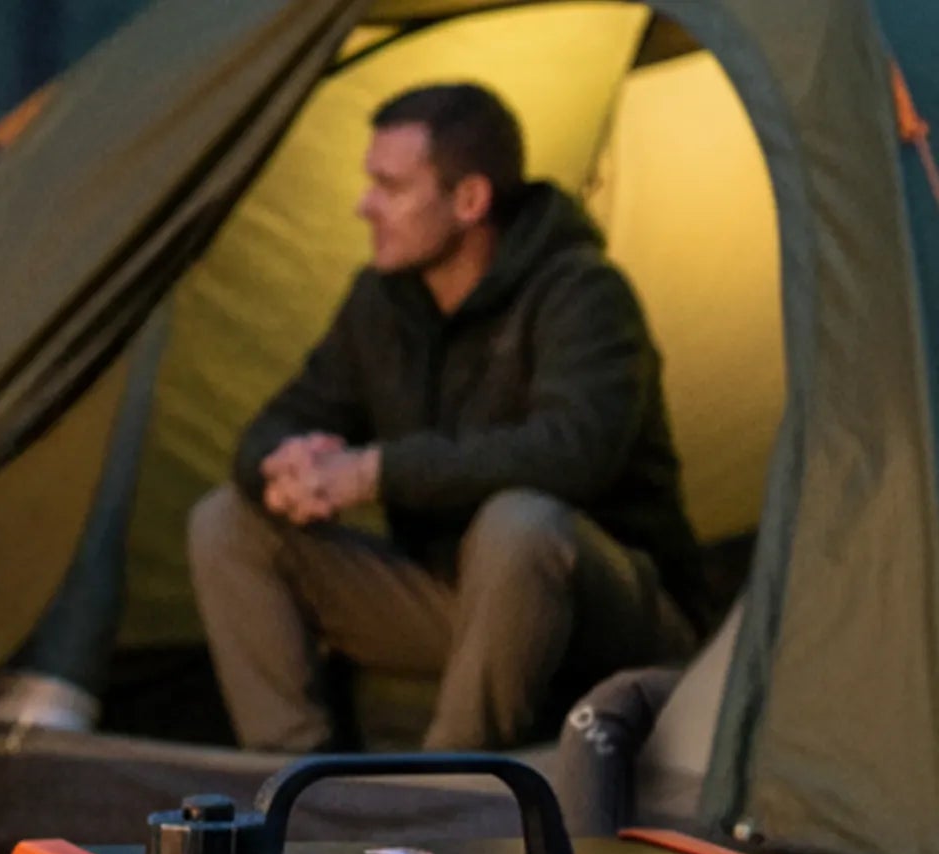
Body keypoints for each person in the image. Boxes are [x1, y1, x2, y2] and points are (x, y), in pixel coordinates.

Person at [188, 82, 709, 754]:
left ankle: (449, 789)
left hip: (610, 611)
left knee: (519, 524)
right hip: (457, 602)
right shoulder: (382, 302)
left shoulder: (583, 294)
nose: (363, 205)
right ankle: (295, 780)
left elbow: (573, 452)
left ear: (469, 200)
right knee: (227, 521)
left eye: (390, 186)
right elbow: (285, 415)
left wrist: (376, 472)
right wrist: (284, 467)